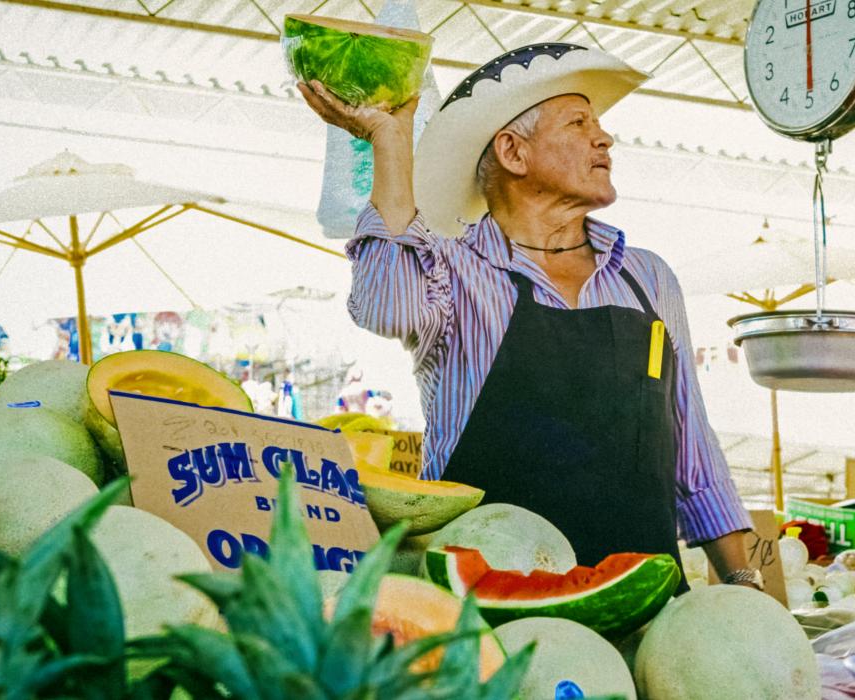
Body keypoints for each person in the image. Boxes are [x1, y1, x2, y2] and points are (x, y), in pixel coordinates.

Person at [299, 43, 759, 590]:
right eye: (578, 121)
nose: (604, 137)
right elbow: (385, 305)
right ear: (514, 153)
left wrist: (744, 585)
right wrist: (391, 143)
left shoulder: (648, 278)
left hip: (640, 605)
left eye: (599, 123)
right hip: (486, 610)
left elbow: (694, 453)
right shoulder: (455, 270)